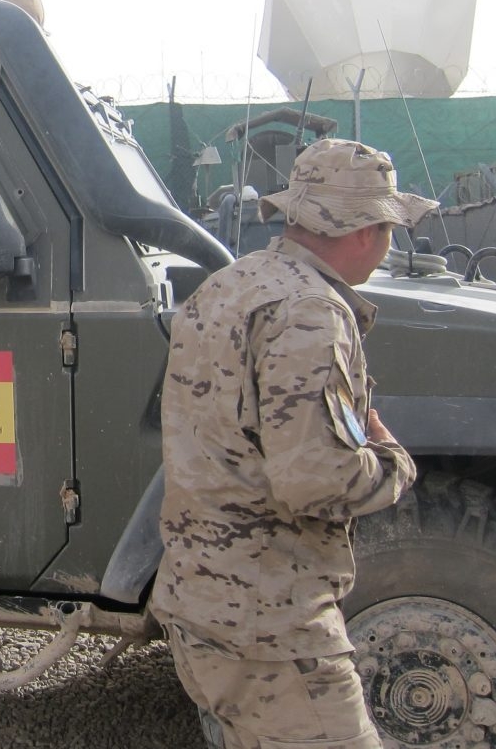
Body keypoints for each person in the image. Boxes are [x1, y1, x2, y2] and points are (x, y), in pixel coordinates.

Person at [150, 138, 437, 749]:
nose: (391, 244)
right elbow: (315, 479)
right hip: (271, 629)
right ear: (364, 230)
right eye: (390, 227)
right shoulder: (309, 312)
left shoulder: (230, 285)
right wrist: (392, 464)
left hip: (201, 604)